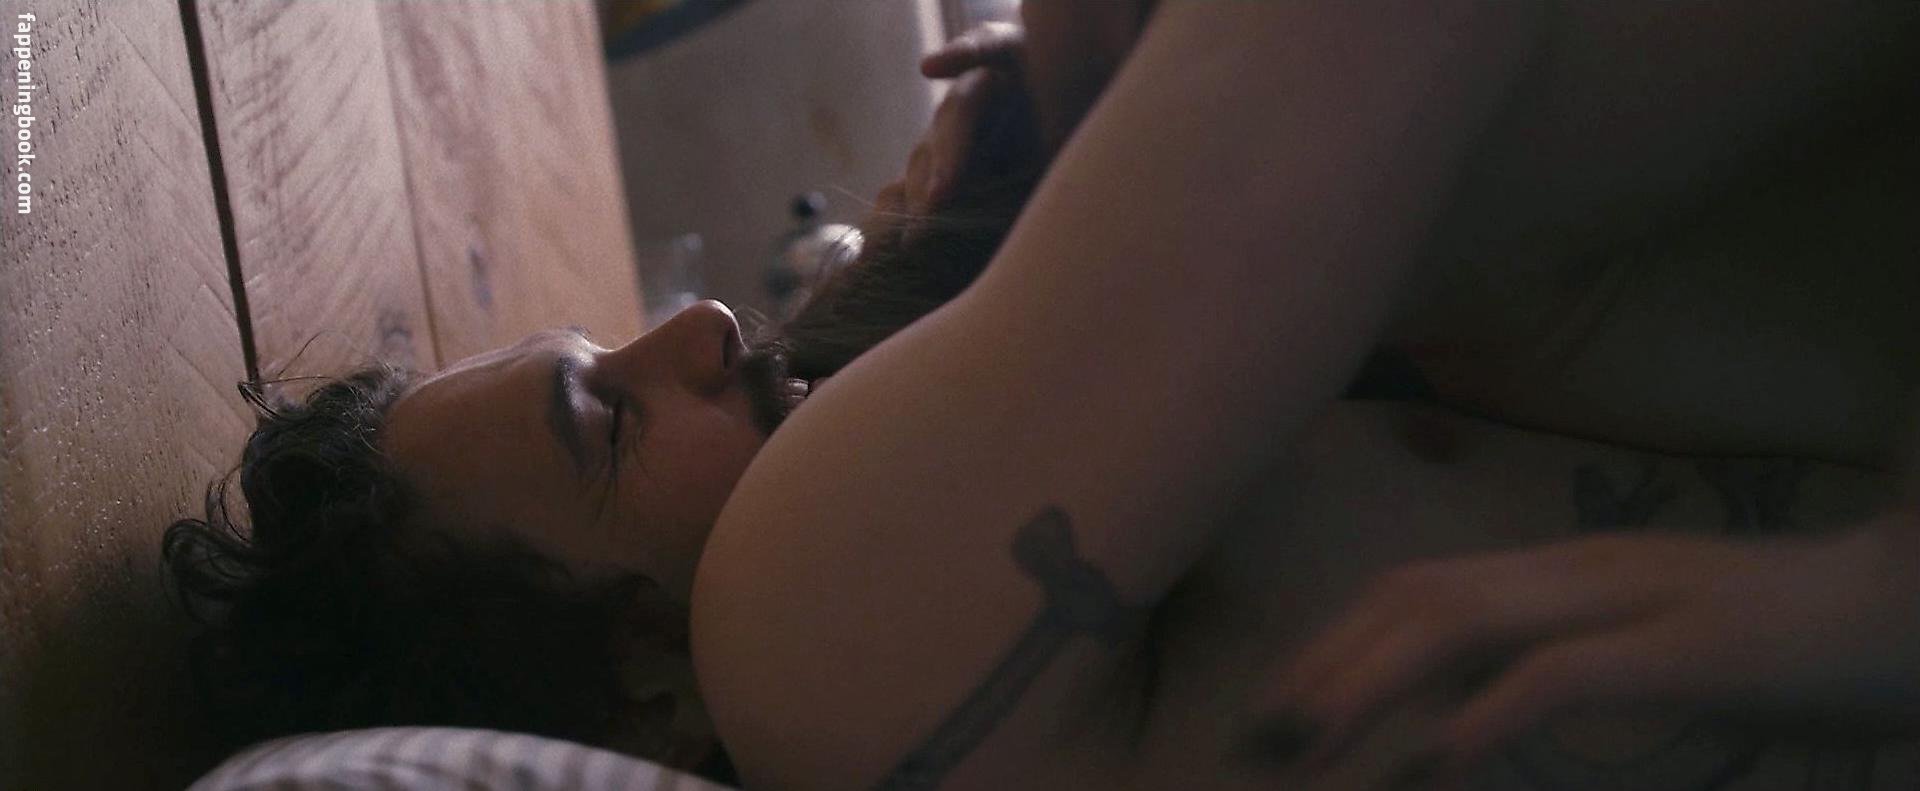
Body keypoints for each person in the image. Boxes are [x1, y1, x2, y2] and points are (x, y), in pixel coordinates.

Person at [165, 5, 1920, 790]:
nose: (693, 326)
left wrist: (1118, 159)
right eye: (606, 425)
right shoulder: (790, 643)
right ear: (641, 694)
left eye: (609, 344)